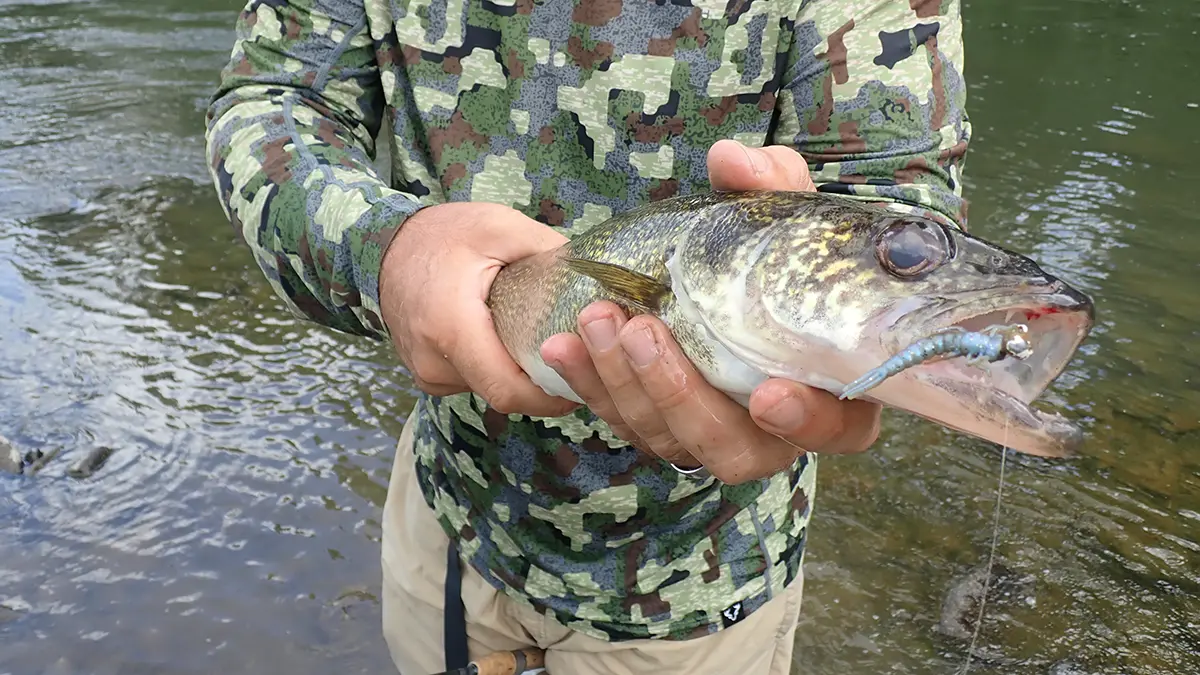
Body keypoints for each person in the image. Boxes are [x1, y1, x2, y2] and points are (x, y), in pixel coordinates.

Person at [204, 0, 970, 672]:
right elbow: (274, 94)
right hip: (449, 524)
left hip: (702, 592)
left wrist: (860, 353)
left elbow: (888, 200)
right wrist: (384, 253)